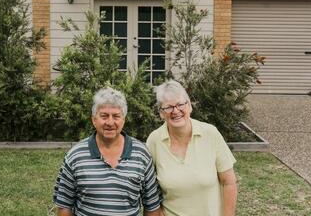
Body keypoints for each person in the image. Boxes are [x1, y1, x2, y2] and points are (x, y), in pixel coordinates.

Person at [53, 87, 163, 216]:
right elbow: (64, 207)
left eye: (116, 116)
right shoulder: (75, 155)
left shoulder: (141, 154)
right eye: (104, 116)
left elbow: (152, 206)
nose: (110, 122)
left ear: (124, 120)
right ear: (94, 120)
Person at [146, 80, 237, 216]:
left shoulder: (210, 133)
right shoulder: (154, 140)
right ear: (161, 113)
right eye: (168, 107)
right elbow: (149, 189)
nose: (176, 111)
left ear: (189, 106)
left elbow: (229, 182)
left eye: (180, 104)